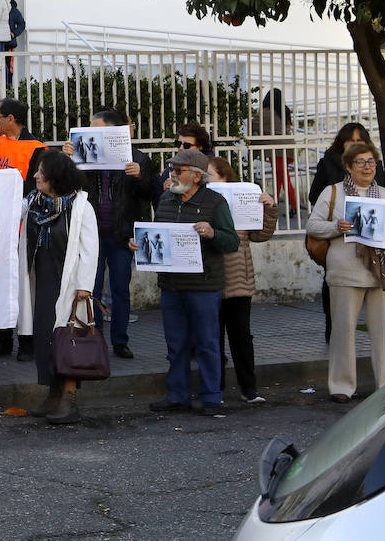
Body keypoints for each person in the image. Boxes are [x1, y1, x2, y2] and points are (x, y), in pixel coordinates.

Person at [60, 109, 160, 359]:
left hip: (122, 235)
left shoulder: (138, 158)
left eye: (96, 128)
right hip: (91, 236)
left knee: (120, 290)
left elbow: (150, 194)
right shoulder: (85, 153)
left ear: (113, 131)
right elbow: (67, 186)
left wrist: (140, 177)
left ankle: (120, 340)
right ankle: (95, 336)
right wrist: (65, 160)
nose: (91, 133)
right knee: (89, 288)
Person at [147, 148, 238, 416]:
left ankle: (212, 397)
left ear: (197, 176)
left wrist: (211, 233)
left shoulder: (215, 202)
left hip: (204, 287)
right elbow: (158, 235)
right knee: (175, 343)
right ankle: (178, 395)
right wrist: (140, 246)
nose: (171, 174)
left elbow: (231, 241)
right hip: (171, 285)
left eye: (178, 170)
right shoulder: (165, 199)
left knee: (207, 343)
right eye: (172, 169)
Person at [306, 141, 385, 403]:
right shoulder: (333, 193)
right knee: (343, 331)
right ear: (348, 166)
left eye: (371, 162)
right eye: (361, 162)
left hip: (380, 274)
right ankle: (342, 386)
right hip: (345, 272)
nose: (368, 167)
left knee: (383, 331)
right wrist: (337, 226)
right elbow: (313, 225)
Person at [18, 152, 98, 425]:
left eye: (41, 172)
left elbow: (90, 249)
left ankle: (69, 397)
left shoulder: (80, 206)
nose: (36, 176)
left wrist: (85, 286)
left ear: (56, 177)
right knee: (45, 338)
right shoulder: (32, 203)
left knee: (68, 338)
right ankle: (52, 393)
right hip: (42, 281)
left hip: (70, 285)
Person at [208, 157, 277, 403]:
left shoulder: (242, 199)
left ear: (225, 177)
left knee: (241, 338)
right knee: (212, 338)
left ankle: (249, 388)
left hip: (238, 280)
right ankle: (215, 389)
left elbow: (260, 235)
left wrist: (269, 209)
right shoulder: (200, 203)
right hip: (210, 280)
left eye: (211, 175)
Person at [0, 98, 45, 360]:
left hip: (23, 226)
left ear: (11, 119)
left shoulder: (37, 149)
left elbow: (36, 190)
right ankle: (0, 339)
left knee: (24, 288)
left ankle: (28, 342)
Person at [310, 123, 385, 202]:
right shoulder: (327, 164)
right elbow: (314, 196)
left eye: (359, 140)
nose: (355, 144)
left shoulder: (375, 165)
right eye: (351, 140)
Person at [251, 88, 297, 212]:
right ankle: (275, 202)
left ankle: (294, 205)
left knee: (283, 177)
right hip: (288, 148)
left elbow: (253, 125)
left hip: (276, 149)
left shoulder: (265, 112)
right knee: (279, 177)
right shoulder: (285, 111)